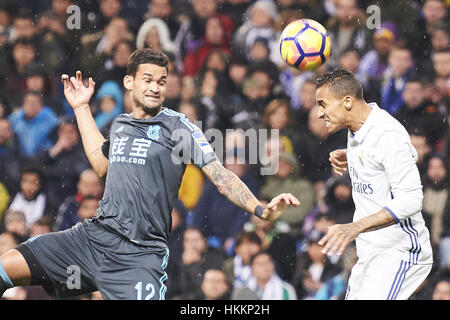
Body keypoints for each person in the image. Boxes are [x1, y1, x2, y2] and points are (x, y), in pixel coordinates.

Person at [0, 48, 299, 300]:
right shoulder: (121, 124)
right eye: (148, 80)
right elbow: (102, 165)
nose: (155, 87)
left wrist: (260, 208)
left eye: (162, 81)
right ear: (129, 82)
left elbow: (221, 176)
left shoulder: (179, 127)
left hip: (139, 256)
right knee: (7, 267)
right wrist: (81, 109)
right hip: (92, 239)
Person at [317, 69, 433, 300]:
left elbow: (411, 199)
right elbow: (378, 160)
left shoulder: (388, 134)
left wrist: (355, 227)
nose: (320, 113)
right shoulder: (359, 127)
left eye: (323, 104)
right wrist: (351, 155)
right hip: (371, 252)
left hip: (399, 251)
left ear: (347, 101)